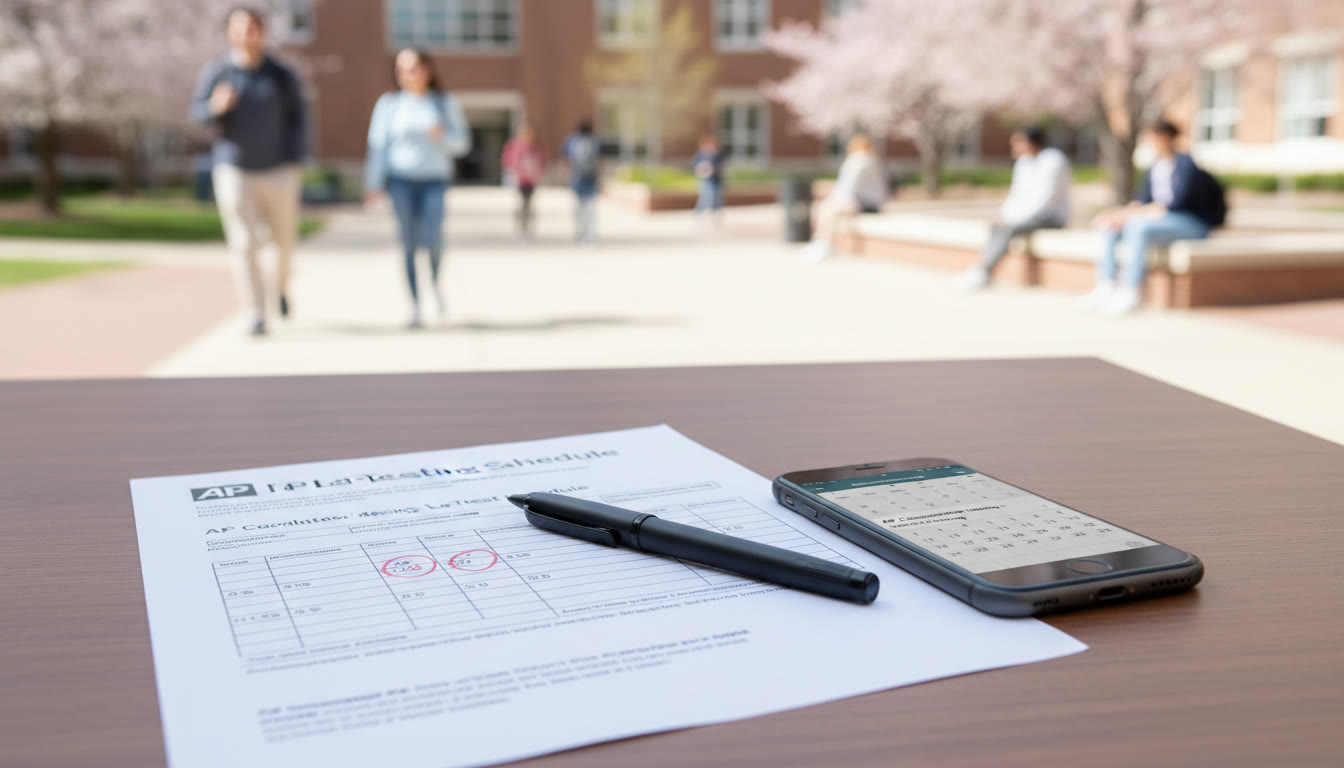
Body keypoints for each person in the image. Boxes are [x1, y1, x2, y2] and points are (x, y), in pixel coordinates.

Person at [189, 6, 307, 337]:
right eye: (240, 28)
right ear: (229, 33)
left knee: (284, 242)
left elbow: (299, 118)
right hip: (234, 168)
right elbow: (197, 115)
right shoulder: (218, 72)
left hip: (279, 170)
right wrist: (215, 107)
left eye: (254, 27)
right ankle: (256, 311)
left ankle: (280, 288)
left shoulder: (281, 74)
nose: (247, 34)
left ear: (263, 32)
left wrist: (295, 160)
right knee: (244, 243)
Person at [364, 49, 472, 329]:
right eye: (401, 69)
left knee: (434, 240)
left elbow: (462, 144)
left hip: (434, 180)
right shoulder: (389, 105)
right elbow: (378, 146)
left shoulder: (444, 103)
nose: (407, 75)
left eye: (413, 68)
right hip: (400, 181)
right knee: (408, 244)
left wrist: (443, 136)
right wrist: (373, 183)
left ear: (428, 70)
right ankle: (414, 304)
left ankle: (434, 286)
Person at [1085, 119, 1226, 315]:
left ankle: (1132, 290)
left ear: (1166, 137)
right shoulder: (1155, 167)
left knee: (1137, 227)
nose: (1149, 141)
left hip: (1190, 222)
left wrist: (1134, 216)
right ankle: (1106, 284)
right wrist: (1119, 215)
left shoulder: (1186, 165)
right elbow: (1143, 201)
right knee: (1111, 227)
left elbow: (1175, 204)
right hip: (1161, 220)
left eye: (1152, 136)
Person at [957, 125, 1071, 291]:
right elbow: (1016, 195)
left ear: (1031, 143)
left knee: (1009, 227)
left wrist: (1012, 219)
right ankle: (981, 268)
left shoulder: (1053, 161)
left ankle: (984, 271)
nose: (1014, 147)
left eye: (1018, 143)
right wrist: (1003, 214)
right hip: (1025, 216)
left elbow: (1044, 201)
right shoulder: (1023, 162)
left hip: (1050, 216)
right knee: (996, 225)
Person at [802, 134, 887, 262]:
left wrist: (841, 200)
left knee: (830, 210)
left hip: (866, 204)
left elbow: (849, 187)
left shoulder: (860, 161)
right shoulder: (870, 161)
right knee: (827, 208)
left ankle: (825, 243)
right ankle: (821, 242)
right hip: (867, 202)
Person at [501, 123, 546, 240]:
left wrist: (537, 174)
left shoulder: (535, 147)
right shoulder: (514, 146)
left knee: (529, 204)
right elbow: (508, 162)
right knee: (521, 205)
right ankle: (520, 229)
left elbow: (541, 162)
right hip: (519, 181)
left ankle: (529, 229)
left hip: (531, 181)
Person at [563, 119, 602, 243]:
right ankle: (590, 234)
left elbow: (567, 159)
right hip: (591, 178)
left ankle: (579, 232)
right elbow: (601, 159)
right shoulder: (595, 141)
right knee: (590, 208)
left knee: (579, 208)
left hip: (577, 178)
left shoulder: (572, 141)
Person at [692, 134, 726, 227]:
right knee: (706, 199)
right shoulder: (701, 155)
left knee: (717, 200)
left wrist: (714, 169)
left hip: (717, 181)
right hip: (706, 181)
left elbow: (721, 166)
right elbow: (696, 166)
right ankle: (699, 215)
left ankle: (716, 217)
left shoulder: (717, 155)